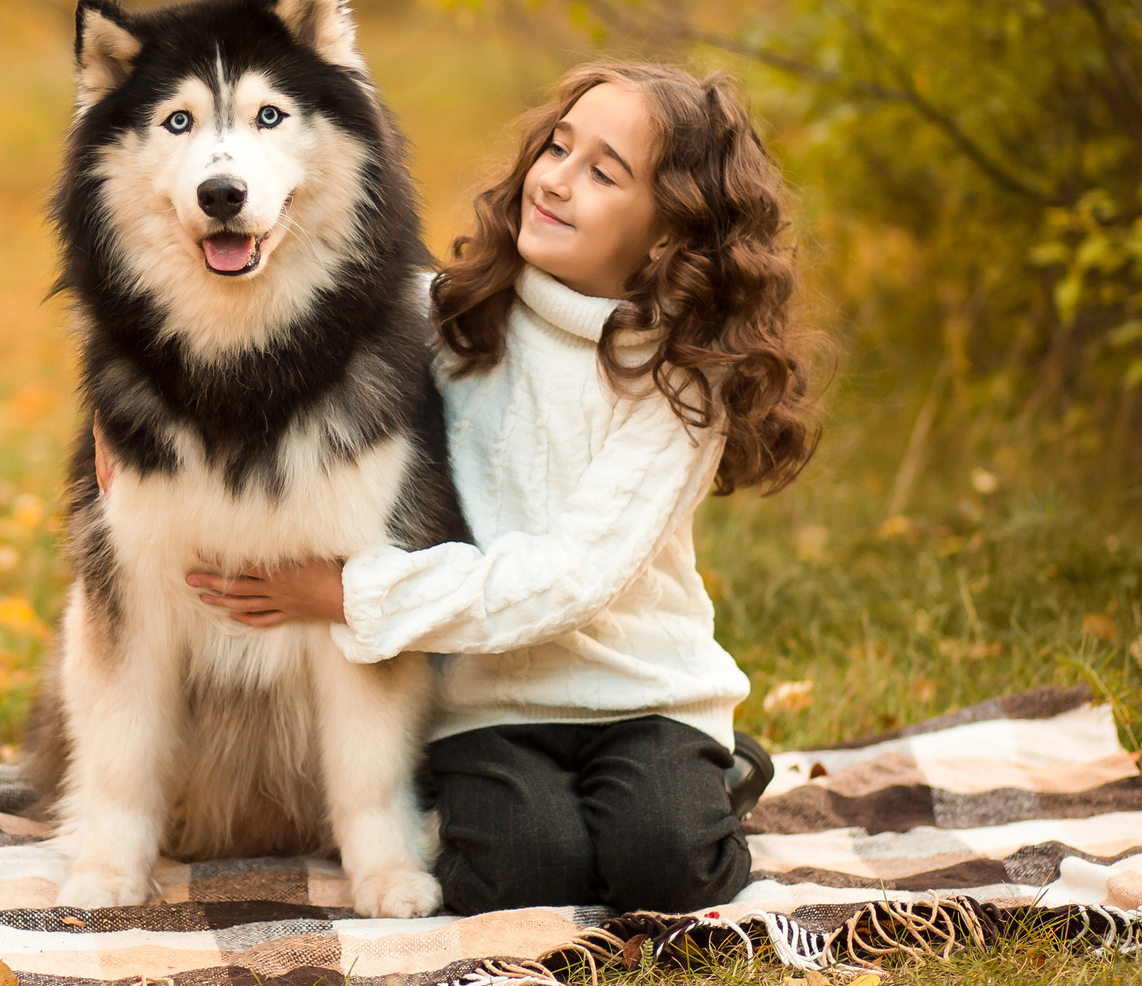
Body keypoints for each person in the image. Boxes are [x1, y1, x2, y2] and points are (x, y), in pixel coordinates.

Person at [182, 63, 821, 916]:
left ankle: (717, 771)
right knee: (512, 878)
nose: (556, 177)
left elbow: (567, 579)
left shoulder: (681, 385)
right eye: (558, 147)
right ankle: (570, 816)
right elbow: (282, 317)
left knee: (667, 867)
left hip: (643, 695)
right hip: (487, 702)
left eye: (603, 172)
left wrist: (347, 592)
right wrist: (128, 421)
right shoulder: (453, 316)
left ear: (671, 231)